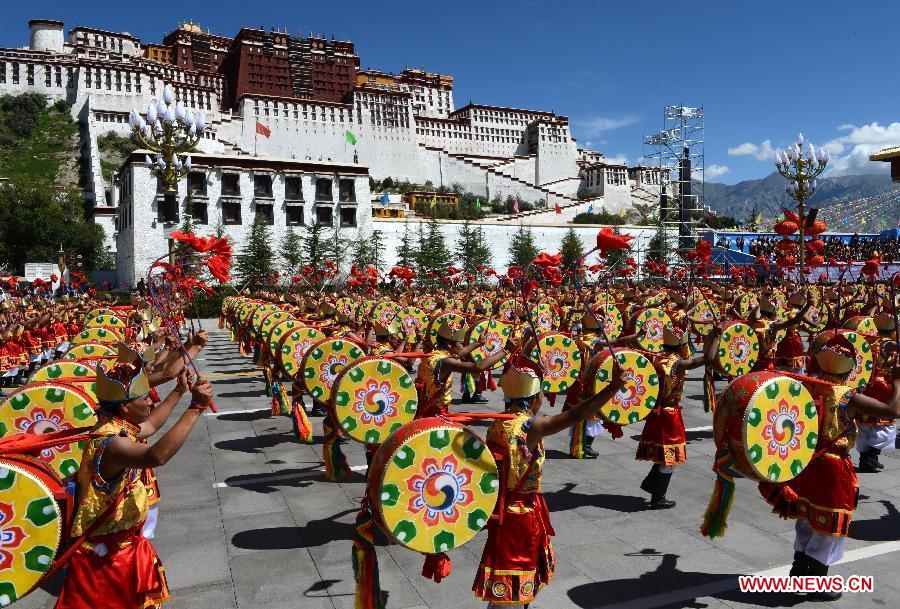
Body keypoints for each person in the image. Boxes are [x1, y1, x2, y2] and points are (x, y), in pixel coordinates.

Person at [54, 346, 214, 609]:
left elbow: (150, 425)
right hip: (108, 561)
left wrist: (178, 392)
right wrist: (195, 408)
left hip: (120, 550)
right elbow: (155, 456)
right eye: (145, 398)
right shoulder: (112, 443)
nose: (151, 401)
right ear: (126, 407)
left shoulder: (114, 425)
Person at [472, 356, 627, 607]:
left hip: (503, 511)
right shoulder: (529, 427)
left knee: (506, 578)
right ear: (534, 398)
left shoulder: (498, 423)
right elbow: (578, 413)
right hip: (521, 516)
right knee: (516, 579)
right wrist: (612, 387)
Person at [758, 334, 900, 601]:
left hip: (806, 461)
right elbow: (893, 410)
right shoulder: (847, 396)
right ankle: (816, 581)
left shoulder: (807, 386)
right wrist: (898, 380)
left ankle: (798, 571)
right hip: (833, 467)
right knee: (829, 523)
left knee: (806, 517)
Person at [636, 325, 720, 509]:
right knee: (670, 457)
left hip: (656, 413)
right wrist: (716, 337)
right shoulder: (677, 364)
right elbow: (707, 359)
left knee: (662, 456)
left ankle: (652, 486)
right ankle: (658, 497)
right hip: (669, 415)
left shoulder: (657, 357)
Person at [417, 320, 506, 418]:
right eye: (461, 343)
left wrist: (479, 343)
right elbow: (478, 368)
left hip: (429, 407)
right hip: (436, 412)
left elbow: (459, 354)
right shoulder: (446, 362)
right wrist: (506, 350)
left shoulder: (435, 354)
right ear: (449, 345)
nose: (463, 346)